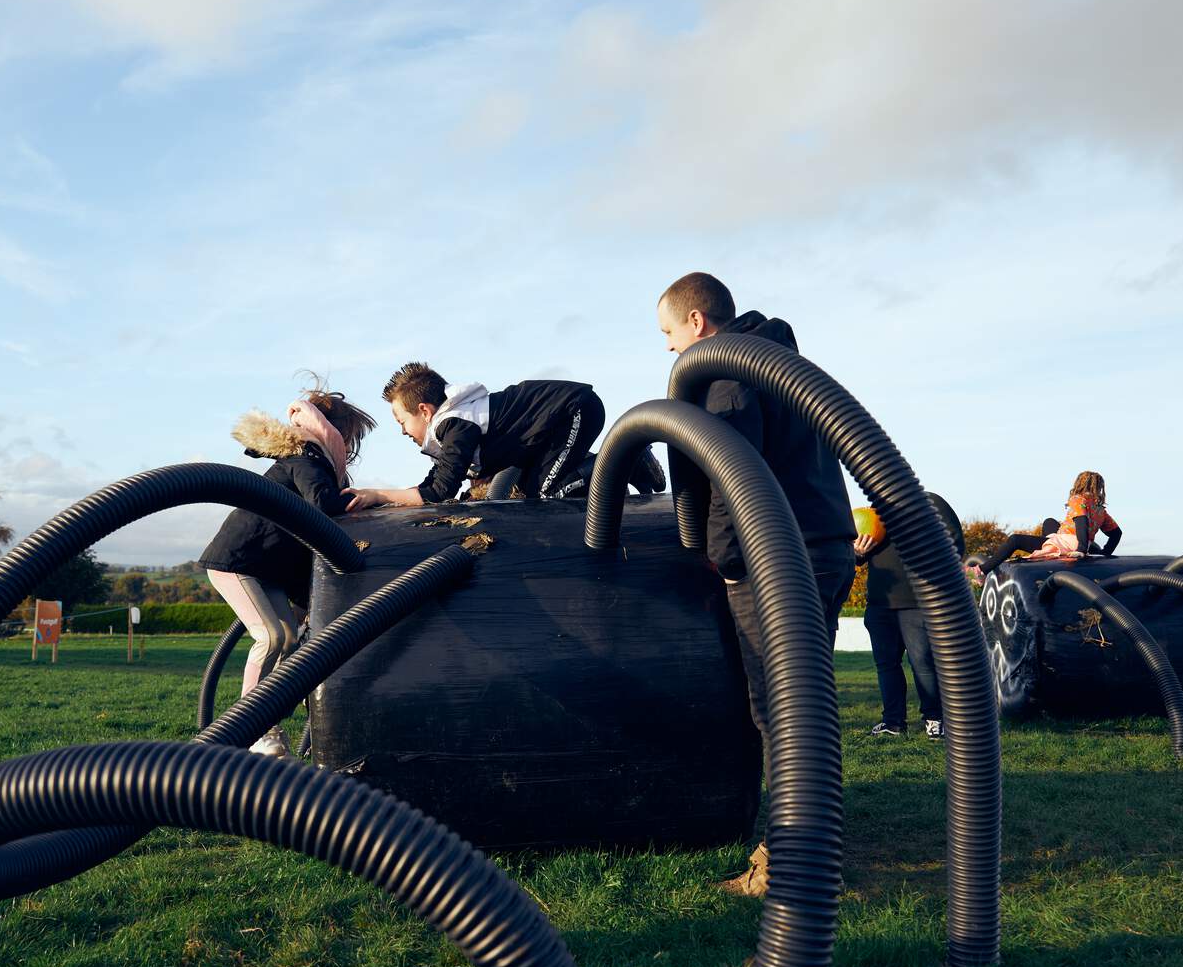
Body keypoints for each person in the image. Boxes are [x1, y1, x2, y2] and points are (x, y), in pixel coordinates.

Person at [658, 272, 853, 902]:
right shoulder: (780, 363)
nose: (667, 350)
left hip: (777, 561)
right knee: (806, 709)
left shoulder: (731, 376)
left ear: (697, 323)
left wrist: (723, 558)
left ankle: (791, 865)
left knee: (781, 713)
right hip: (821, 547)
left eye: (667, 333)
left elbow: (732, 471)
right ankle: (813, 849)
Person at [200, 382, 376, 757]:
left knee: (290, 639)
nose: (349, 444)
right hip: (239, 562)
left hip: (267, 569)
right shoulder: (306, 458)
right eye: (347, 436)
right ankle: (255, 729)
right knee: (271, 637)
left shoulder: (314, 461)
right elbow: (323, 508)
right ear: (330, 431)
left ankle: (267, 727)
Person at [342, 362, 663, 510]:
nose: (402, 431)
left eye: (402, 421)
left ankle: (626, 459)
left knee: (553, 495)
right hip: (549, 429)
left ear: (425, 411)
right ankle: (622, 465)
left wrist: (380, 495)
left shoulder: (454, 425)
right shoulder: (452, 428)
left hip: (573, 410)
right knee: (534, 490)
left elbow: (441, 491)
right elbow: (434, 483)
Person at [858, 492, 964, 739]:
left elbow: (955, 542)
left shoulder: (929, 502)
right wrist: (858, 552)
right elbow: (853, 555)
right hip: (880, 602)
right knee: (886, 665)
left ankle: (934, 719)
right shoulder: (871, 514)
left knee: (923, 664)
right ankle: (893, 723)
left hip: (916, 602)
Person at [966, 471, 1122, 581]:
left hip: (1070, 543)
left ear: (1080, 484)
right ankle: (1047, 547)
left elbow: (1081, 521)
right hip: (1080, 542)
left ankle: (981, 571)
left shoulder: (1078, 499)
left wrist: (1080, 550)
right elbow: (1116, 533)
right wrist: (1104, 554)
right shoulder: (1101, 510)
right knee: (1049, 522)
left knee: (1015, 540)